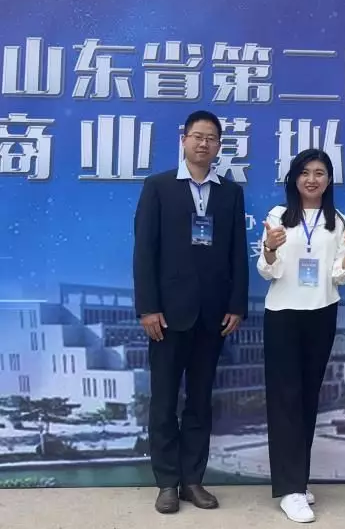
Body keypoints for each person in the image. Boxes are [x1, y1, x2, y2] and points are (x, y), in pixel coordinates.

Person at [133, 110, 249, 514]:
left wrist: (236, 304)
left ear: (219, 146)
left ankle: (193, 480)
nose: (204, 143)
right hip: (167, 317)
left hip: (213, 317)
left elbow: (237, 253)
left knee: (200, 402)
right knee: (164, 402)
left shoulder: (230, 193)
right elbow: (144, 251)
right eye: (197, 136)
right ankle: (167, 482)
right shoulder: (159, 186)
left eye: (211, 138)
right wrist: (148, 308)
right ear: (184, 140)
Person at [256, 148, 345, 524]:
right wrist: (270, 247)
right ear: (294, 178)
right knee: (285, 399)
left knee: (307, 399)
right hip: (283, 314)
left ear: (329, 180)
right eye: (305, 172)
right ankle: (291, 489)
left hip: (322, 312)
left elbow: (338, 276)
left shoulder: (338, 220)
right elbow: (267, 271)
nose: (312, 179)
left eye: (319, 173)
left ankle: (297, 479)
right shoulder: (277, 216)